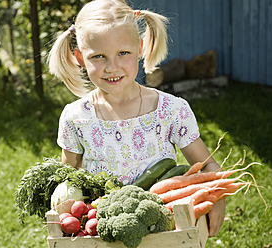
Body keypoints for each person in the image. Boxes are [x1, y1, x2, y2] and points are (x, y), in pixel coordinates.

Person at [48, 0, 225, 237]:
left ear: (140, 49)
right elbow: (68, 182)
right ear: (80, 58)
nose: (112, 67)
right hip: (102, 232)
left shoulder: (170, 110)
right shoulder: (75, 117)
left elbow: (208, 165)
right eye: (98, 56)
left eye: (123, 53)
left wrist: (218, 197)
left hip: (162, 231)